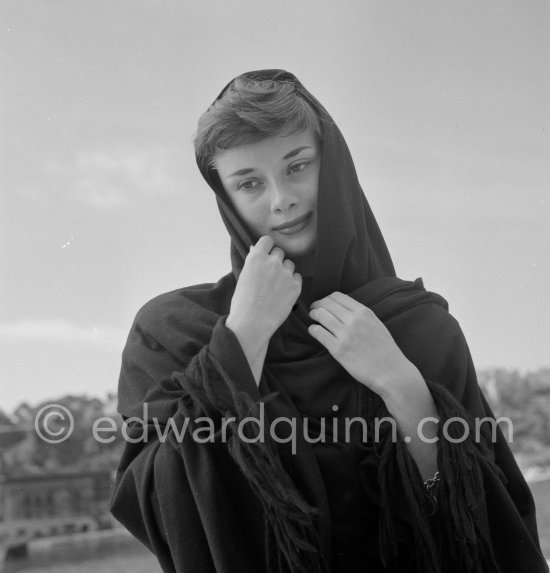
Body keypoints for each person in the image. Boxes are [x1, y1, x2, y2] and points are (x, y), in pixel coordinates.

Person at [110, 69, 548, 573]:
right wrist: (242, 339)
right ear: (224, 197)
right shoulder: (173, 332)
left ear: (333, 166)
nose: (281, 199)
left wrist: (403, 387)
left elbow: (490, 530)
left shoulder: (420, 330)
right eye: (249, 183)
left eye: (297, 167)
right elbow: (165, 518)